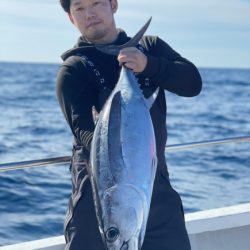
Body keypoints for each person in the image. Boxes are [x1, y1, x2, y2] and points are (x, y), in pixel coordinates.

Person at [56, 0, 202, 249]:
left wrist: (149, 65)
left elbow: (192, 84)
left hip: (158, 195)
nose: (89, 13)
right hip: (97, 204)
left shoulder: (149, 47)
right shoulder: (73, 70)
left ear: (113, 4)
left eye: (96, 3)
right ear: (71, 17)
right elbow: (84, 133)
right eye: (79, 8)